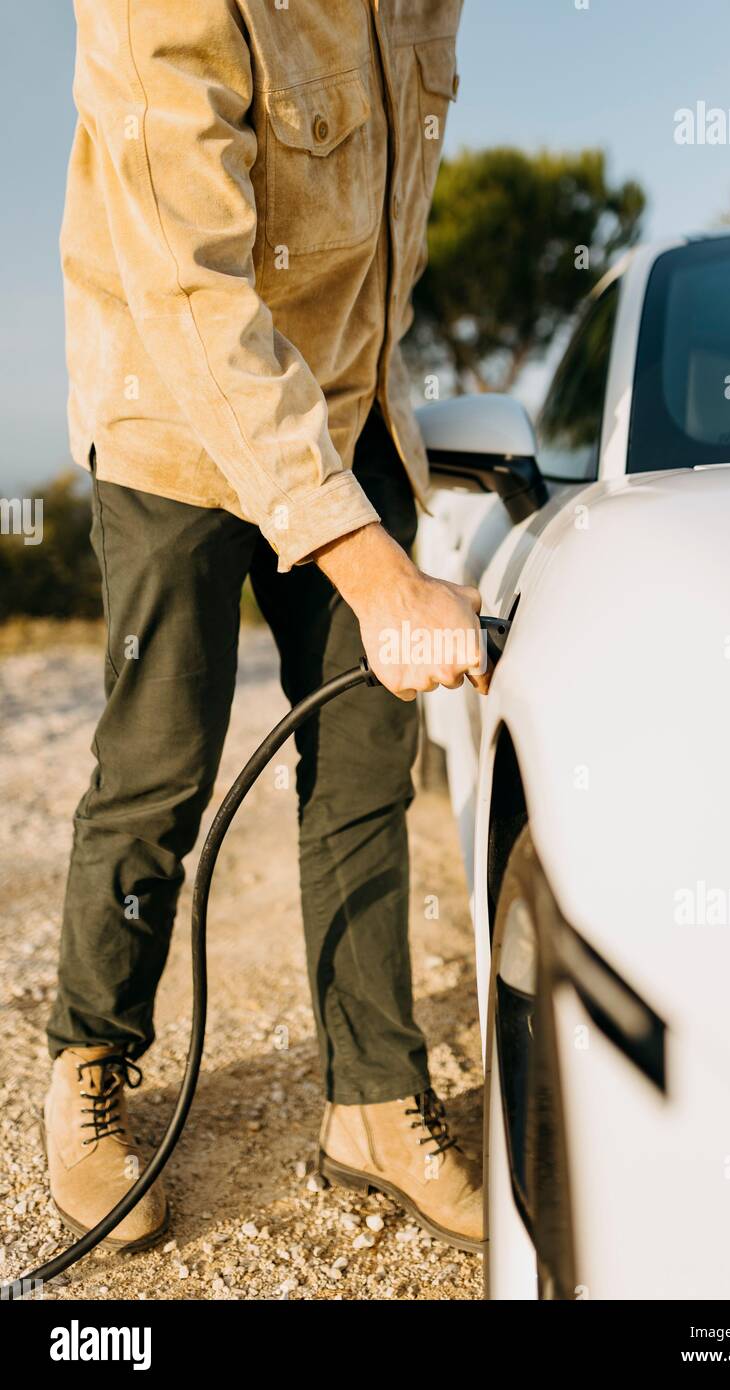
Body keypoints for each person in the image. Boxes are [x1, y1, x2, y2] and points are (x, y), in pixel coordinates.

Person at [43, 0, 486, 1256]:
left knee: (363, 767)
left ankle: (373, 1102)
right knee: (157, 763)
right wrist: (387, 581)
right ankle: (88, 1062)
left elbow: (384, 238)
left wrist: (375, 472)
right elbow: (190, 292)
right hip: (171, 421)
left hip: (347, 418)